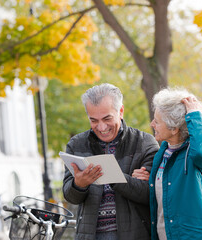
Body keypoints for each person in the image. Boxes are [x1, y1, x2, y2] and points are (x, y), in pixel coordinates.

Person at [62, 83, 160, 240]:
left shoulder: (144, 143)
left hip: (135, 235)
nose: (101, 127)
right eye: (93, 120)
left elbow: (151, 194)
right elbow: (70, 196)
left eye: (107, 118)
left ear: (120, 111)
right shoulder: (76, 144)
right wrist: (79, 185)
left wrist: (114, 177)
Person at [146, 87, 202, 240]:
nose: (152, 124)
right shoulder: (162, 153)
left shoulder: (196, 152)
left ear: (174, 129)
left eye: (157, 121)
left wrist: (194, 115)